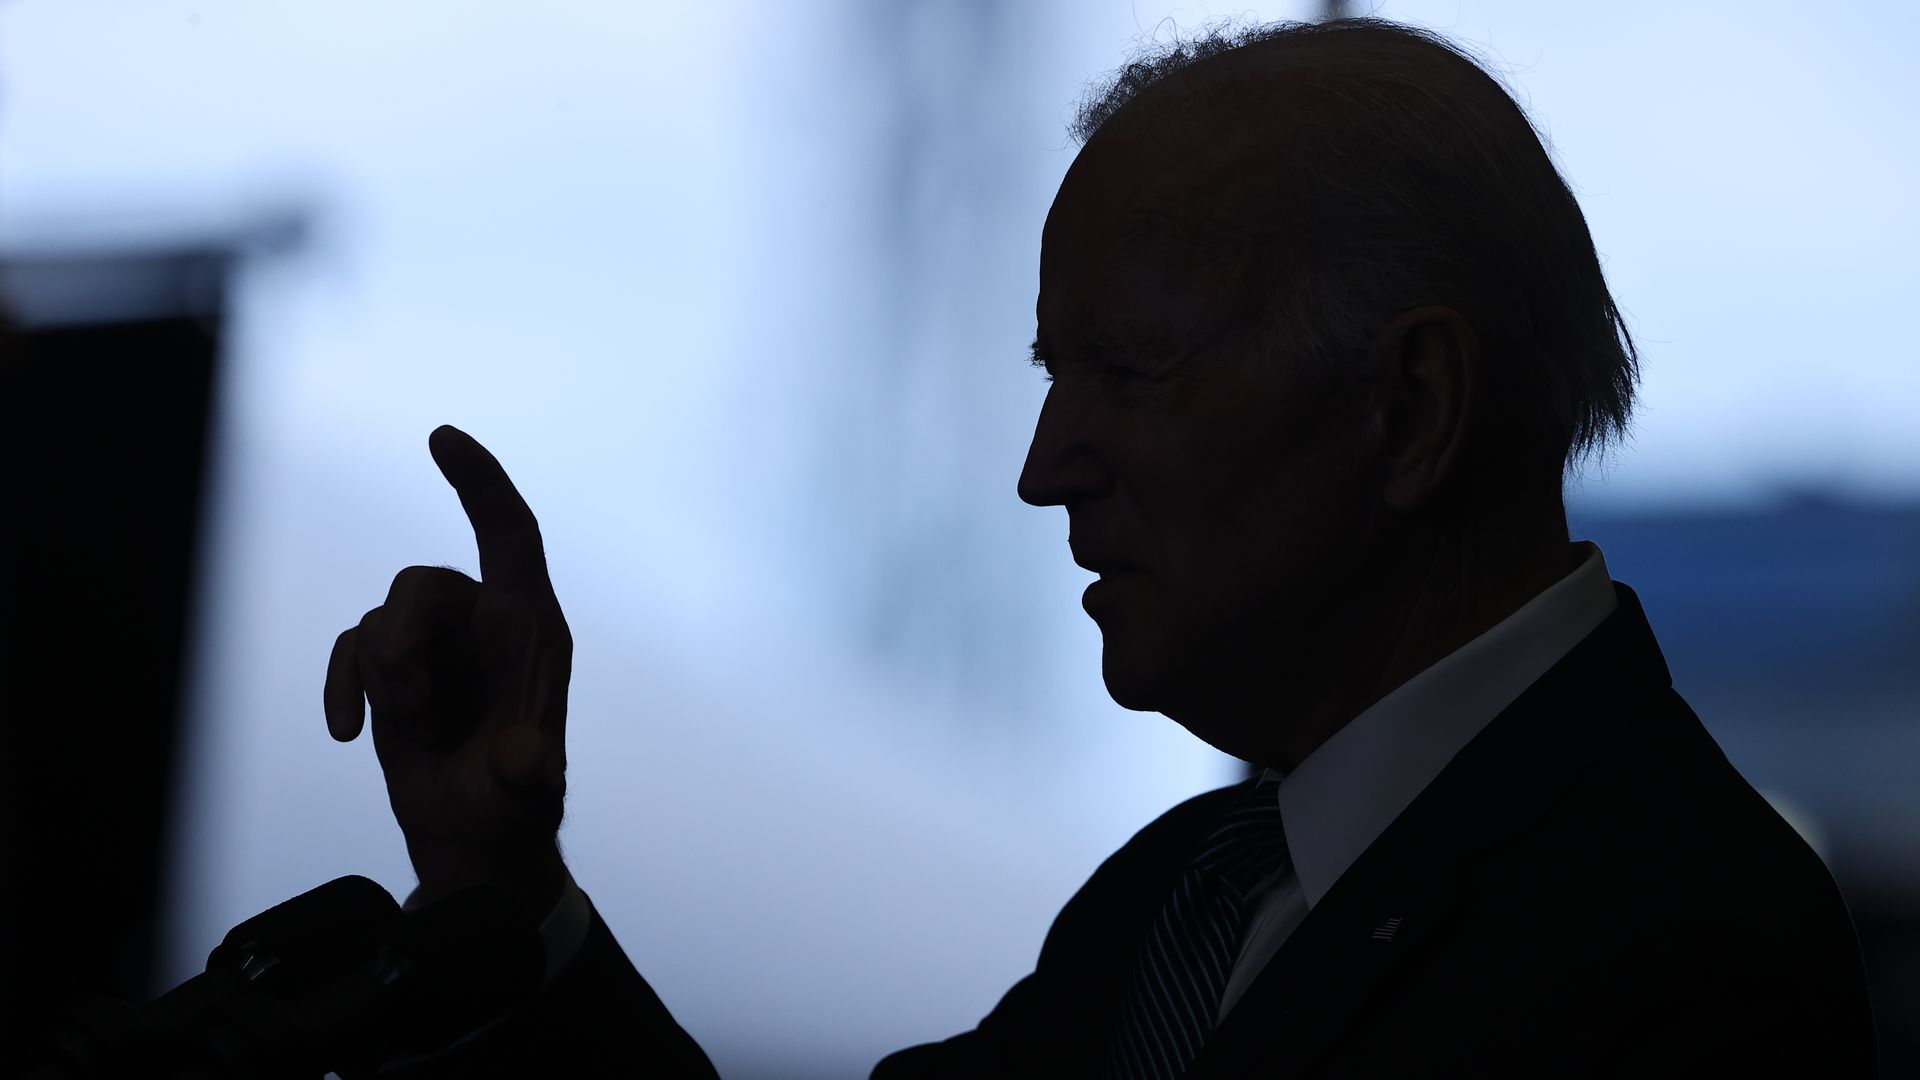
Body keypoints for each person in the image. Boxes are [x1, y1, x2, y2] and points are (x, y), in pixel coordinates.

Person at [323, 17, 1876, 1078]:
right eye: (1049, 376)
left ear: (1408, 409)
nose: (1041, 470)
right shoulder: (1189, 896)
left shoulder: (1685, 954)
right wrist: (498, 881)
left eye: (1124, 375)